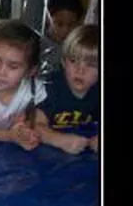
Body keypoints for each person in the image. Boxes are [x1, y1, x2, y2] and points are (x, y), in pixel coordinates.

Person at [35, 24, 99, 154]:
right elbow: (35, 125)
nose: (80, 70)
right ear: (63, 62)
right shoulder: (51, 86)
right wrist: (59, 140)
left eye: (91, 64)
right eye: (73, 61)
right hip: (47, 155)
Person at [0, 21, 46, 151]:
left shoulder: (36, 91)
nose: (1, 72)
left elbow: (41, 126)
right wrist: (10, 136)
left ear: (30, 71)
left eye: (13, 66)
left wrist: (26, 132)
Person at [39, 0, 85, 74]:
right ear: (48, 19)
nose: (65, 30)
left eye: (71, 25)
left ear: (80, 23)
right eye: (59, 24)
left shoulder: (82, 49)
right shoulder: (37, 47)